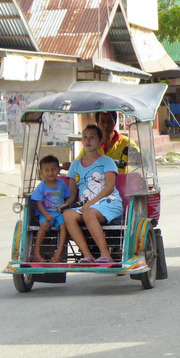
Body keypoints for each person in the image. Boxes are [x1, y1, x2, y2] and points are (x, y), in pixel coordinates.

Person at [62, 125, 123, 263]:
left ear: (99, 140)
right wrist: (66, 204)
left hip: (108, 201)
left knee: (89, 213)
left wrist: (90, 203)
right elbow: (73, 193)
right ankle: (87, 255)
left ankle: (105, 254)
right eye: (85, 137)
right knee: (68, 215)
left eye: (92, 137)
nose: (88, 140)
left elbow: (109, 187)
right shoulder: (75, 165)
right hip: (85, 206)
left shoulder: (107, 162)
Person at [66, 111, 138, 174]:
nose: (106, 125)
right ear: (97, 123)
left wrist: (134, 155)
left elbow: (139, 160)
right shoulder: (92, 144)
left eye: (109, 121)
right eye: (102, 122)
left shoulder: (127, 142)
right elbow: (78, 163)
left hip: (120, 184)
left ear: (115, 122)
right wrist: (70, 165)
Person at [29, 155, 70, 263]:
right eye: (46, 170)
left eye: (53, 169)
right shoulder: (41, 186)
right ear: (41, 172)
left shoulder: (62, 184)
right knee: (44, 225)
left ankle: (59, 252)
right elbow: (39, 203)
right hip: (46, 212)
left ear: (58, 170)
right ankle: (36, 252)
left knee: (64, 226)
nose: (50, 173)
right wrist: (46, 215)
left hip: (60, 212)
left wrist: (66, 204)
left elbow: (68, 196)